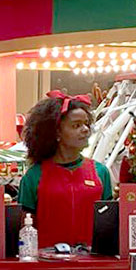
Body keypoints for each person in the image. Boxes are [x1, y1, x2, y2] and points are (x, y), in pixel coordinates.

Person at [18, 90, 113, 249]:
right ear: (56, 133)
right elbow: (24, 229)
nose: (85, 130)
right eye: (76, 125)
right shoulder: (34, 176)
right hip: (47, 266)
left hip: (93, 266)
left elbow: (108, 225)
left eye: (86, 124)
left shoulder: (100, 172)